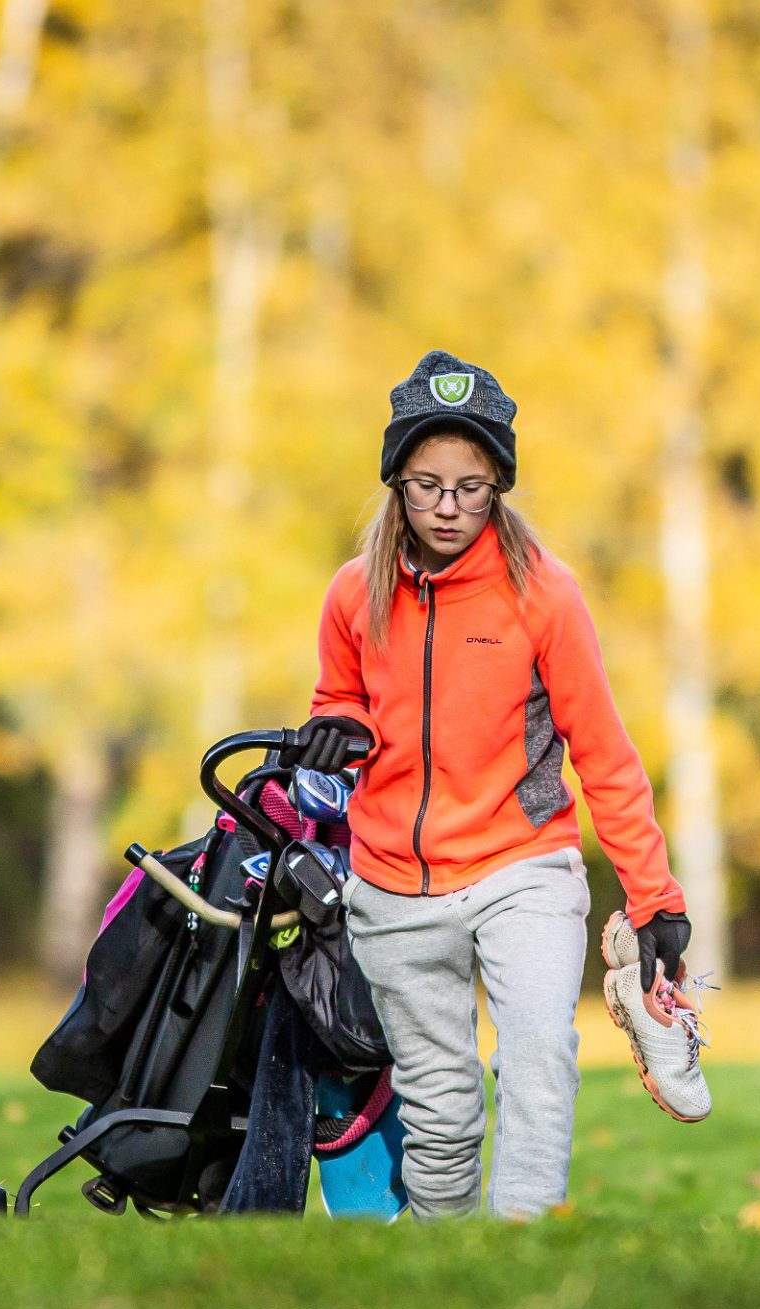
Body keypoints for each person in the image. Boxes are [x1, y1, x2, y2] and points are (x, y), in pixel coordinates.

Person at [286, 349, 713, 1222]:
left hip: (522, 866)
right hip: (393, 886)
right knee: (440, 1107)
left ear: (499, 487)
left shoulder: (543, 595)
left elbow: (604, 751)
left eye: (471, 487)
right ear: (396, 483)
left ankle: (522, 1257)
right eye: (428, 484)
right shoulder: (351, 593)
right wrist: (336, 731)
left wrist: (654, 898)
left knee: (536, 1058)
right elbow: (344, 701)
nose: (448, 507)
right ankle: (449, 1282)